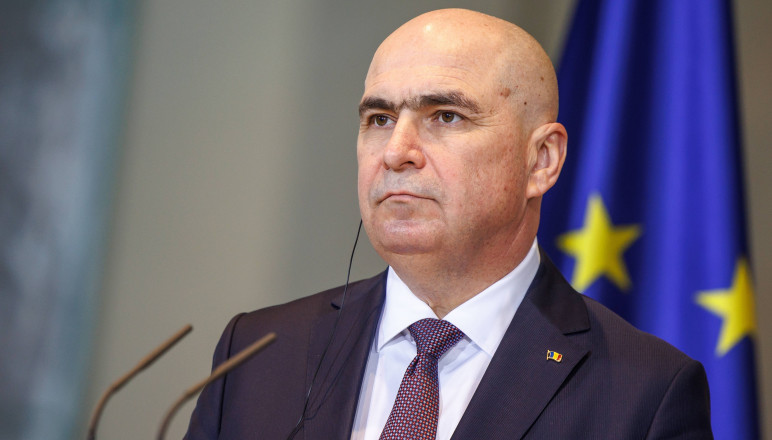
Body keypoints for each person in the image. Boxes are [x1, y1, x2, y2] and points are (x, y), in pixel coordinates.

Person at [185, 8, 712, 440]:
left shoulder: (645, 394)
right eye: (380, 119)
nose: (396, 152)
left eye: (445, 116)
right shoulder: (256, 354)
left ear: (542, 160)